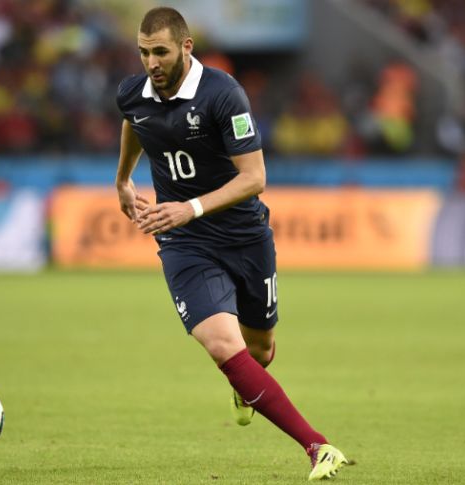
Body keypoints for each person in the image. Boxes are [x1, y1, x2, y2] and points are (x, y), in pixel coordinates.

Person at [114, 7, 348, 481]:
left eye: (159, 51)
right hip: (183, 241)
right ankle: (318, 447)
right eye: (143, 53)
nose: (151, 62)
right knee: (223, 344)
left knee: (258, 348)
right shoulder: (132, 93)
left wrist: (191, 205)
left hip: (244, 236)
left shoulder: (223, 94)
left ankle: (247, 383)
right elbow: (135, 122)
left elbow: (255, 178)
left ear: (185, 47)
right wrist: (122, 178)